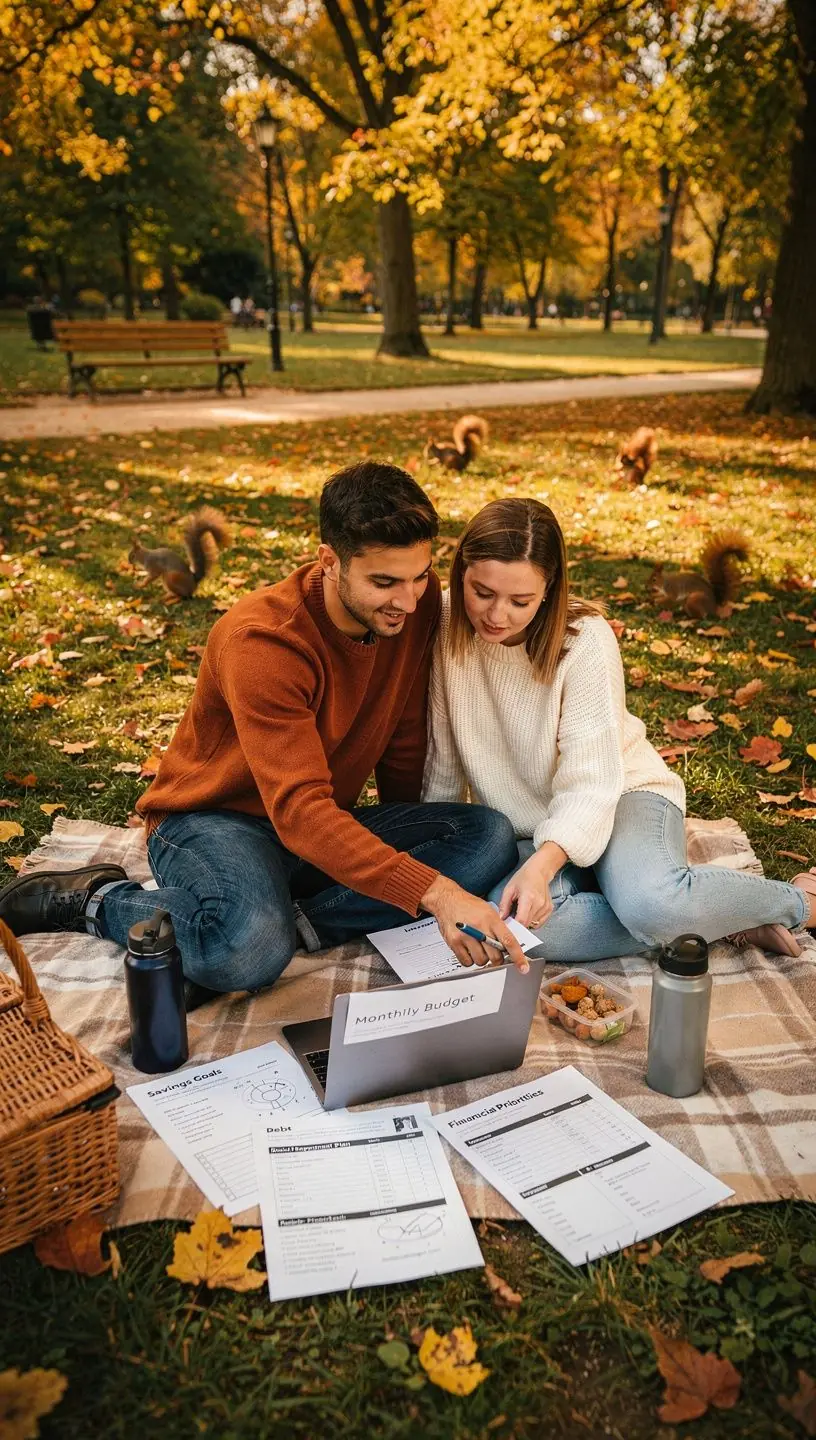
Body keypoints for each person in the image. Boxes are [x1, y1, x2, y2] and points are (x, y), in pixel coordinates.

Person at [0, 465, 526, 990]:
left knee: (485, 836)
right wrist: (431, 892)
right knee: (246, 948)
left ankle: (274, 927)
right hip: (211, 821)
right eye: (384, 582)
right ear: (329, 562)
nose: (408, 601)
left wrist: (403, 844)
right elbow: (298, 810)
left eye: (418, 576)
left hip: (311, 822)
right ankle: (98, 900)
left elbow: (404, 734)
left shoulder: (417, 601)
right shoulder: (263, 642)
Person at [422, 497, 816, 961]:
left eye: (520, 600)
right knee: (503, 921)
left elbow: (592, 781)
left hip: (623, 792)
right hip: (535, 826)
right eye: (482, 592)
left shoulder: (585, 640)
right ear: (460, 572)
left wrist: (543, 866)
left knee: (653, 904)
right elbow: (442, 760)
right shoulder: (444, 623)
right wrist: (442, 872)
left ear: (548, 589)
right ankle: (709, 913)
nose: (496, 615)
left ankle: (800, 902)